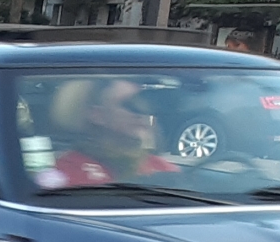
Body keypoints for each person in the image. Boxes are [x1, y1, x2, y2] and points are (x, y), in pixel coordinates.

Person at [40, 77, 179, 189]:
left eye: (144, 104)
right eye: (129, 104)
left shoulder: (161, 168)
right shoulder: (66, 173)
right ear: (97, 115)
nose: (141, 113)